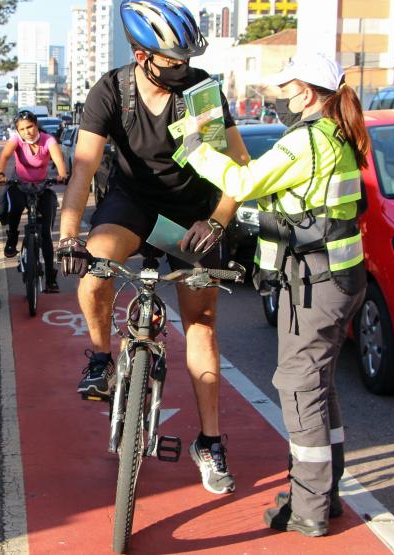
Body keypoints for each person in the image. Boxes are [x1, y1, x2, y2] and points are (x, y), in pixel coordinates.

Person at [56, 0, 250, 495]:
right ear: (143, 56)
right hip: (133, 203)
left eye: (187, 59)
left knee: (201, 325)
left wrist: (218, 222)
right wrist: (68, 234)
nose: (183, 68)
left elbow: (239, 167)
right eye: (172, 61)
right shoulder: (113, 91)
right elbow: (82, 168)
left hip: (195, 213)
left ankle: (208, 442)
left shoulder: (201, 91)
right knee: (95, 270)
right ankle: (101, 359)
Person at [178, 52, 369, 536]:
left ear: (305, 92)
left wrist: (197, 144)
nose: (279, 101)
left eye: (285, 92)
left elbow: (242, 182)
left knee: (300, 388)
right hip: (329, 277)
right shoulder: (333, 134)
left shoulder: (307, 141)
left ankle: (310, 509)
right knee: (318, 385)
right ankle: (324, 492)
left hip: (316, 282)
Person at [0, 110, 69, 293]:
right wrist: (1, 174)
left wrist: (61, 174)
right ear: (18, 131)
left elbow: (58, 158)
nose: (27, 131)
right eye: (22, 129)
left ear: (36, 125)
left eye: (30, 126)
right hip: (20, 184)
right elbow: (5, 156)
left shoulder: (48, 140)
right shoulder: (16, 140)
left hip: (42, 187)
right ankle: (12, 238)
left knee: (45, 233)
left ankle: (51, 279)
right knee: (16, 206)